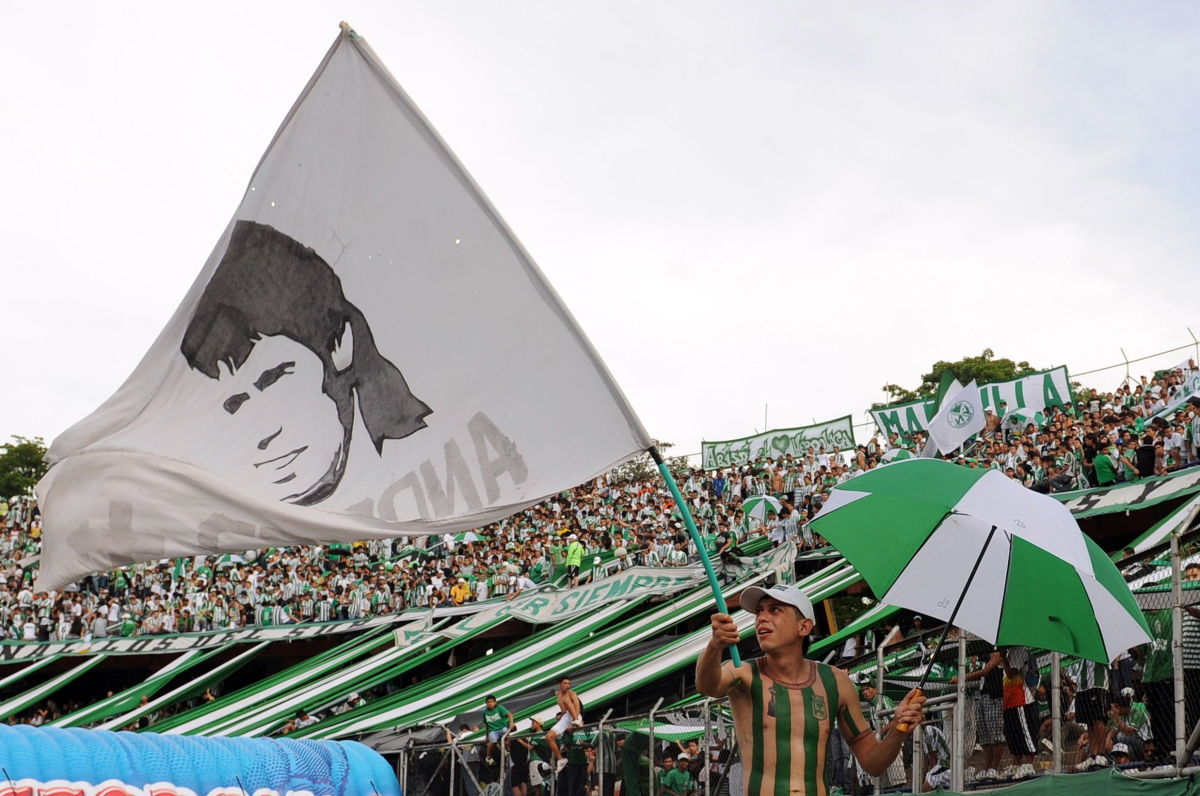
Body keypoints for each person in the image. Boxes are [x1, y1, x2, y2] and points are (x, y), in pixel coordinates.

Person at [178, 219, 432, 505]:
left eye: (272, 379)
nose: (263, 434)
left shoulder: (422, 454)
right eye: (234, 404)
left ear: (341, 345)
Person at [697, 583, 924, 795]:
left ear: (803, 626)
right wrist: (714, 646)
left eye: (774, 610)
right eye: (759, 611)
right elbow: (708, 684)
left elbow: (872, 763)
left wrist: (897, 729)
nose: (761, 618)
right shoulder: (744, 673)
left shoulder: (835, 682)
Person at [546, 677, 584, 772]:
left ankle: (576, 721)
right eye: (565, 683)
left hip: (575, 714)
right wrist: (561, 717)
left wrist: (577, 719)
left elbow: (577, 706)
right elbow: (563, 710)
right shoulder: (558, 694)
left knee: (567, 701)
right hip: (566, 716)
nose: (568, 685)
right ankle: (561, 760)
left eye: (569, 684)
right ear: (560, 684)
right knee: (549, 737)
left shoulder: (572, 693)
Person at [483, 693, 515, 766]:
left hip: (502, 727)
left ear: (495, 702)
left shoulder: (500, 708)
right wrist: (487, 737)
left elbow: (510, 715)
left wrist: (511, 723)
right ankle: (488, 756)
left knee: (505, 731)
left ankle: (507, 749)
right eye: (488, 702)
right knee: (493, 740)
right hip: (493, 730)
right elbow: (487, 725)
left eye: (491, 701)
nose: (490, 703)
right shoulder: (485, 712)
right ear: (486, 704)